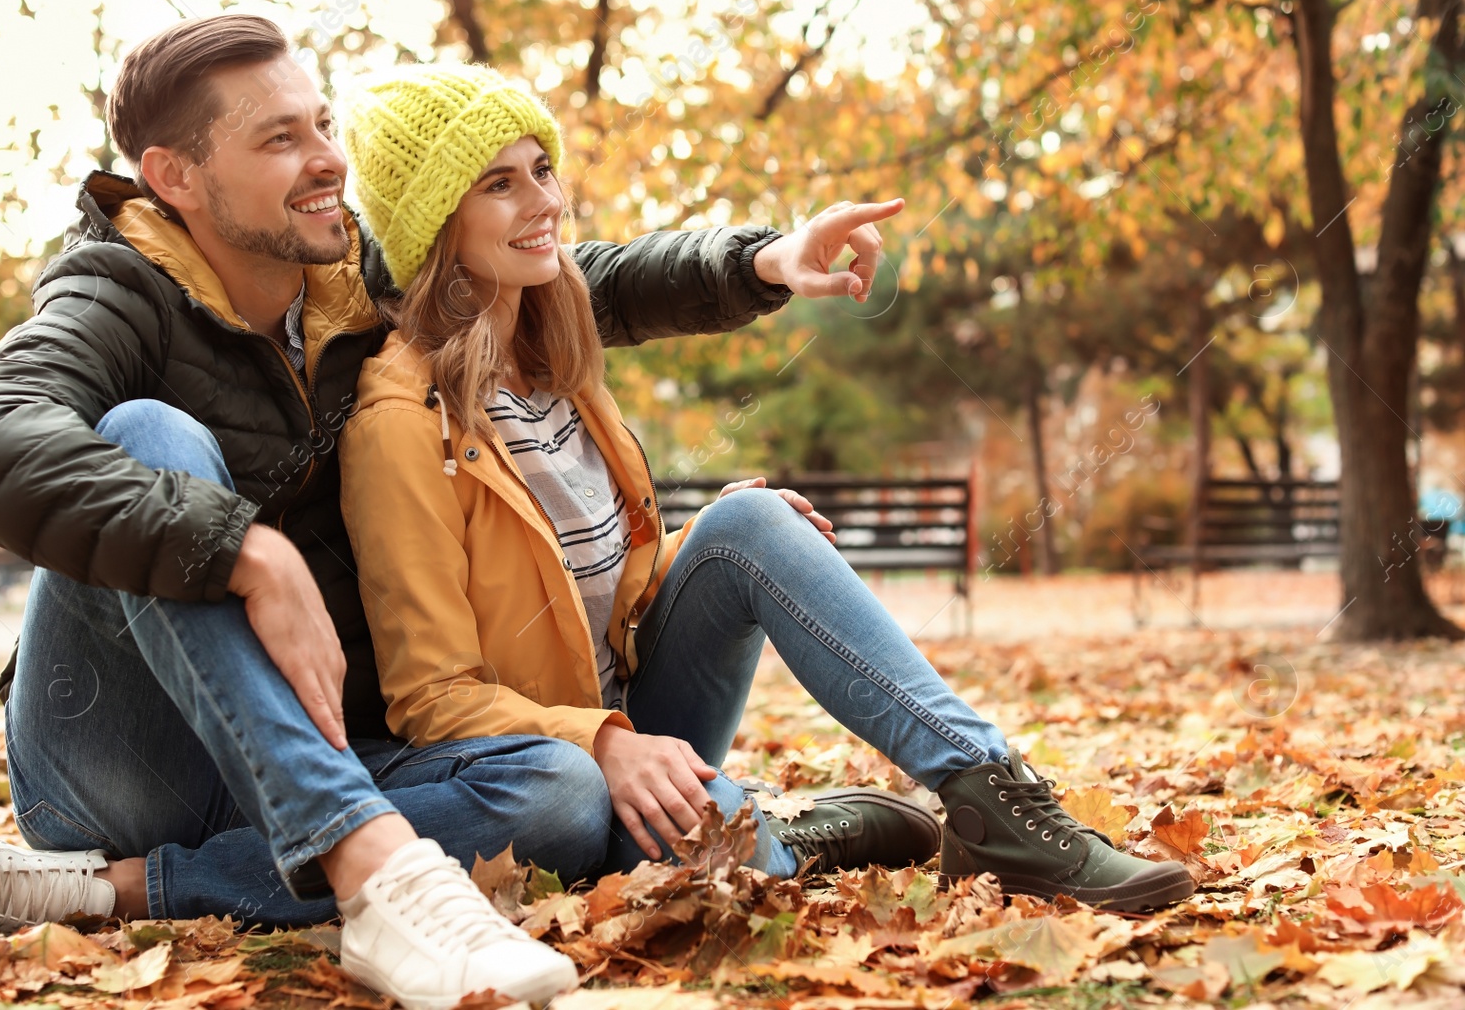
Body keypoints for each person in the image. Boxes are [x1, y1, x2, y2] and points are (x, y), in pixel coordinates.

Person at [0, 15, 896, 1009]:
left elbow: (559, 273)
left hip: (312, 747)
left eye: (321, 124)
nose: (327, 160)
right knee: (150, 436)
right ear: (175, 177)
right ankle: (382, 876)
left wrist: (759, 263)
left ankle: (128, 892)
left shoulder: (354, 277)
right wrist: (236, 544)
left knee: (560, 790)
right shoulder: (112, 294)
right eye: (278, 138)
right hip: (130, 758)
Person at [337, 63, 1199, 912]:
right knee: (719, 842)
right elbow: (431, 697)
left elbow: (586, 594)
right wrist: (600, 743)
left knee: (747, 520)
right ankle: (800, 834)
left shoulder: (556, 349)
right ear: (435, 226)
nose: (544, 203)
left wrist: (703, 548)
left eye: (544, 169)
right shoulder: (401, 423)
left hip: (643, 724)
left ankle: (996, 803)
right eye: (499, 184)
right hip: (557, 762)